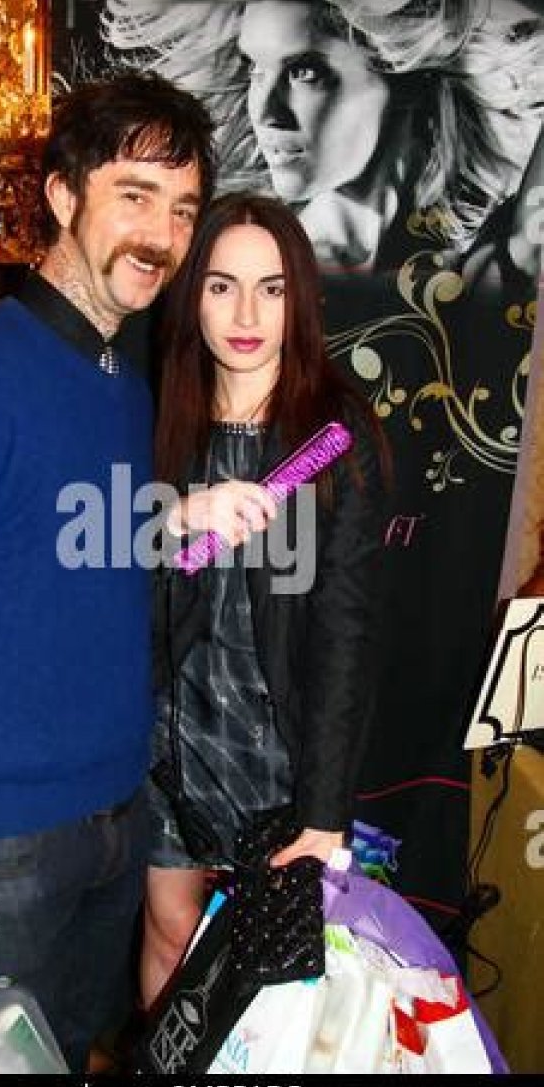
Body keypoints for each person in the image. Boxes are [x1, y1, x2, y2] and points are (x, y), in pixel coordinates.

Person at [0, 70, 220, 1073]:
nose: (162, 235)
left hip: (115, 819)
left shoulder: (125, 384)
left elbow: (75, 567)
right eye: (135, 196)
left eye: (182, 208)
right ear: (64, 195)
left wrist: (180, 528)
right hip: (0, 842)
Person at [140, 190, 391, 1008]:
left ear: (300, 300)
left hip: (278, 744)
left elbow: (346, 632)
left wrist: (324, 807)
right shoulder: (158, 419)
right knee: (170, 934)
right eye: (221, 286)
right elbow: (103, 560)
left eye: (271, 288)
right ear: (192, 297)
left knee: (269, 979)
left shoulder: (336, 436)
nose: (246, 314)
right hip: (171, 734)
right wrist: (171, 519)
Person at [102, 0, 544, 276]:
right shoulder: (251, 263)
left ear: (404, 78)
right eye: (255, 69)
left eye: (303, 72)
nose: (266, 113)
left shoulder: (497, 239)